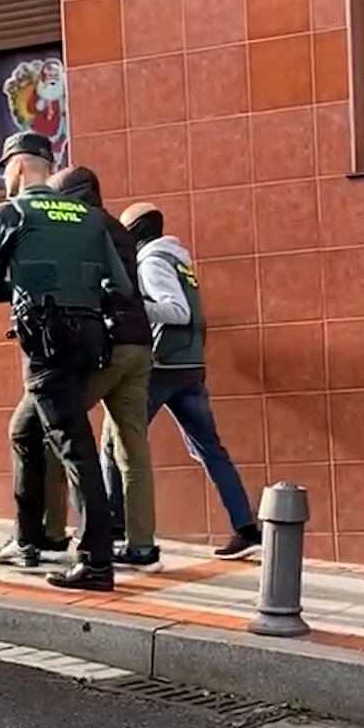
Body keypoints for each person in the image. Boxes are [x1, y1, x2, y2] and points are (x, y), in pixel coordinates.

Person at [0, 131, 135, 591]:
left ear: (20, 167)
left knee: (75, 448)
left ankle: (96, 563)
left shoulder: (9, 213)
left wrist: (28, 285)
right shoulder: (89, 217)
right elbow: (120, 287)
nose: (4, 176)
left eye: (5, 167)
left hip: (46, 341)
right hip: (89, 338)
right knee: (27, 429)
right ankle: (28, 539)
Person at [23, 165, 162, 573]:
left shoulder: (78, 226)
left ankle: (53, 532)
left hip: (107, 345)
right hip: (139, 344)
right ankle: (142, 545)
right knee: (132, 447)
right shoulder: (118, 227)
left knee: (55, 427)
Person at [106, 202, 262, 560]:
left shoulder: (152, 261)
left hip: (162, 367)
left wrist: (130, 308)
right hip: (189, 367)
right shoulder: (179, 259)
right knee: (208, 449)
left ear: (136, 233)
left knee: (116, 442)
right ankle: (246, 529)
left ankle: (114, 528)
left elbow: (177, 311)